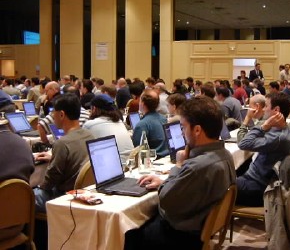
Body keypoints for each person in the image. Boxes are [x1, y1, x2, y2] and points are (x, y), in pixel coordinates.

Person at [124, 96, 236, 250]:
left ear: (197, 130)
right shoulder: (225, 156)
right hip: (200, 230)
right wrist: (164, 182)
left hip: (182, 237)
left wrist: (178, 165)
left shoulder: (198, 166)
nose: (182, 133)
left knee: (128, 232)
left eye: (183, 127)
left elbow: (165, 200)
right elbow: (192, 189)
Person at [33, 93, 94, 212]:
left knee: (25, 196)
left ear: (61, 114)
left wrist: (37, 186)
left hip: (63, 196)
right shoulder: (89, 135)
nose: (52, 116)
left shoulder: (62, 143)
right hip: (83, 191)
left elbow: (49, 182)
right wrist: (54, 157)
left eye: (53, 113)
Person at [236, 92, 290, 206]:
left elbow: (243, 143)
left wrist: (263, 126)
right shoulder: (281, 129)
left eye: (266, 106)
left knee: (215, 185)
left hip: (257, 187)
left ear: (276, 110)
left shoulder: (278, 138)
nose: (264, 109)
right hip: (256, 179)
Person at [83, 94, 134, 165]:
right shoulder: (119, 121)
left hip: (113, 169)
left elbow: (83, 151)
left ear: (94, 109)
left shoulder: (90, 125)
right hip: (130, 166)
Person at [132, 89, 168, 158]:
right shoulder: (163, 119)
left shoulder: (142, 125)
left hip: (152, 161)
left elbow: (137, 151)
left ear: (142, 103)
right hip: (165, 157)